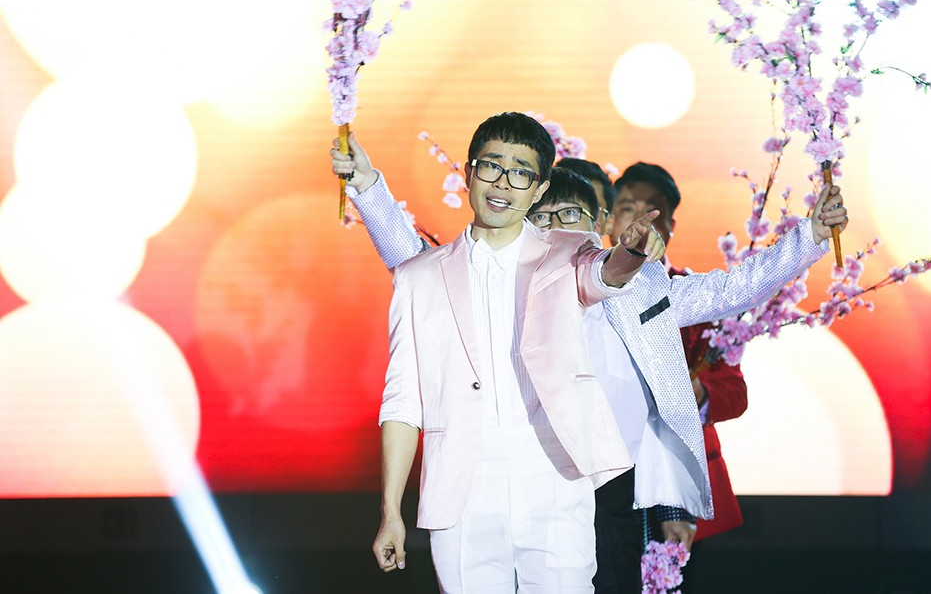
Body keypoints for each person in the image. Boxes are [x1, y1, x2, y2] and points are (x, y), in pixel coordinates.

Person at [332, 132, 849, 592]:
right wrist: (368, 188)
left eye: (570, 216)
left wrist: (810, 238)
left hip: (613, 482)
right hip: (513, 473)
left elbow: (729, 291)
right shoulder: (504, 276)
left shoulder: (635, 289)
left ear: (599, 222)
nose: (556, 227)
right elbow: (414, 263)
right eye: (544, 218)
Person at [367, 112, 665, 592]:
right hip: (462, 484)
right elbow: (402, 403)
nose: (503, 182)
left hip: (553, 474)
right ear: (469, 173)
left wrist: (630, 253)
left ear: (539, 189)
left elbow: (604, 274)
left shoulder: (569, 251)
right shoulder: (418, 278)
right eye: (492, 166)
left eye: (521, 172)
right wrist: (391, 511)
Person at [608, 162, 750, 582]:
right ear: (609, 219)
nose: (640, 218)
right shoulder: (585, 289)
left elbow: (734, 393)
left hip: (679, 482)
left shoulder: (696, 296)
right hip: (608, 474)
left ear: (671, 224)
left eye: (653, 209)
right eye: (628, 207)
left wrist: (697, 392)